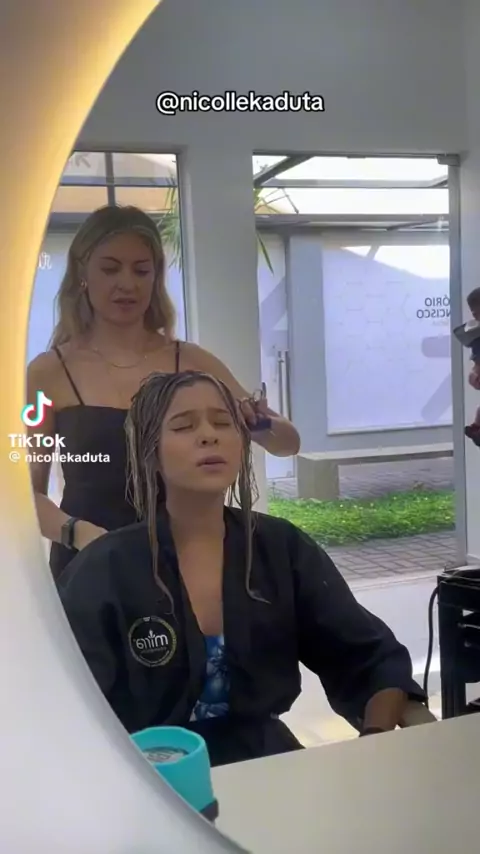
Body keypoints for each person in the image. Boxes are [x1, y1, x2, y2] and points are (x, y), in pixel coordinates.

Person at [58, 370, 426, 768]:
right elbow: (65, 707)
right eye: (183, 426)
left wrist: (374, 744)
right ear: (152, 453)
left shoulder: (280, 547)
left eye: (223, 423)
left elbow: (367, 658)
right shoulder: (104, 569)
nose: (208, 436)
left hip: (268, 765)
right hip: (144, 775)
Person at [26, 205, 300, 579]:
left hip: (185, 562)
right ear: (82, 273)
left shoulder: (190, 361)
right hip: (89, 566)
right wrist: (78, 533)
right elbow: (25, 492)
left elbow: (286, 444)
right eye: (110, 269)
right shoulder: (47, 374)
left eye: (141, 270)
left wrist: (258, 421)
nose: (127, 284)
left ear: (156, 278)